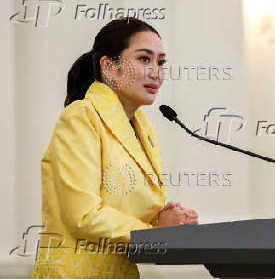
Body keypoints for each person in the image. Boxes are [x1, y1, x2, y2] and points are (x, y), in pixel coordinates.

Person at [31, 17, 198, 278]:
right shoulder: (81, 117)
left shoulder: (142, 128)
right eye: (144, 59)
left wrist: (168, 221)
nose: (156, 71)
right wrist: (154, 234)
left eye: (161, 62)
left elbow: (123, 210)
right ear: (109, 66)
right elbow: (83, 215)